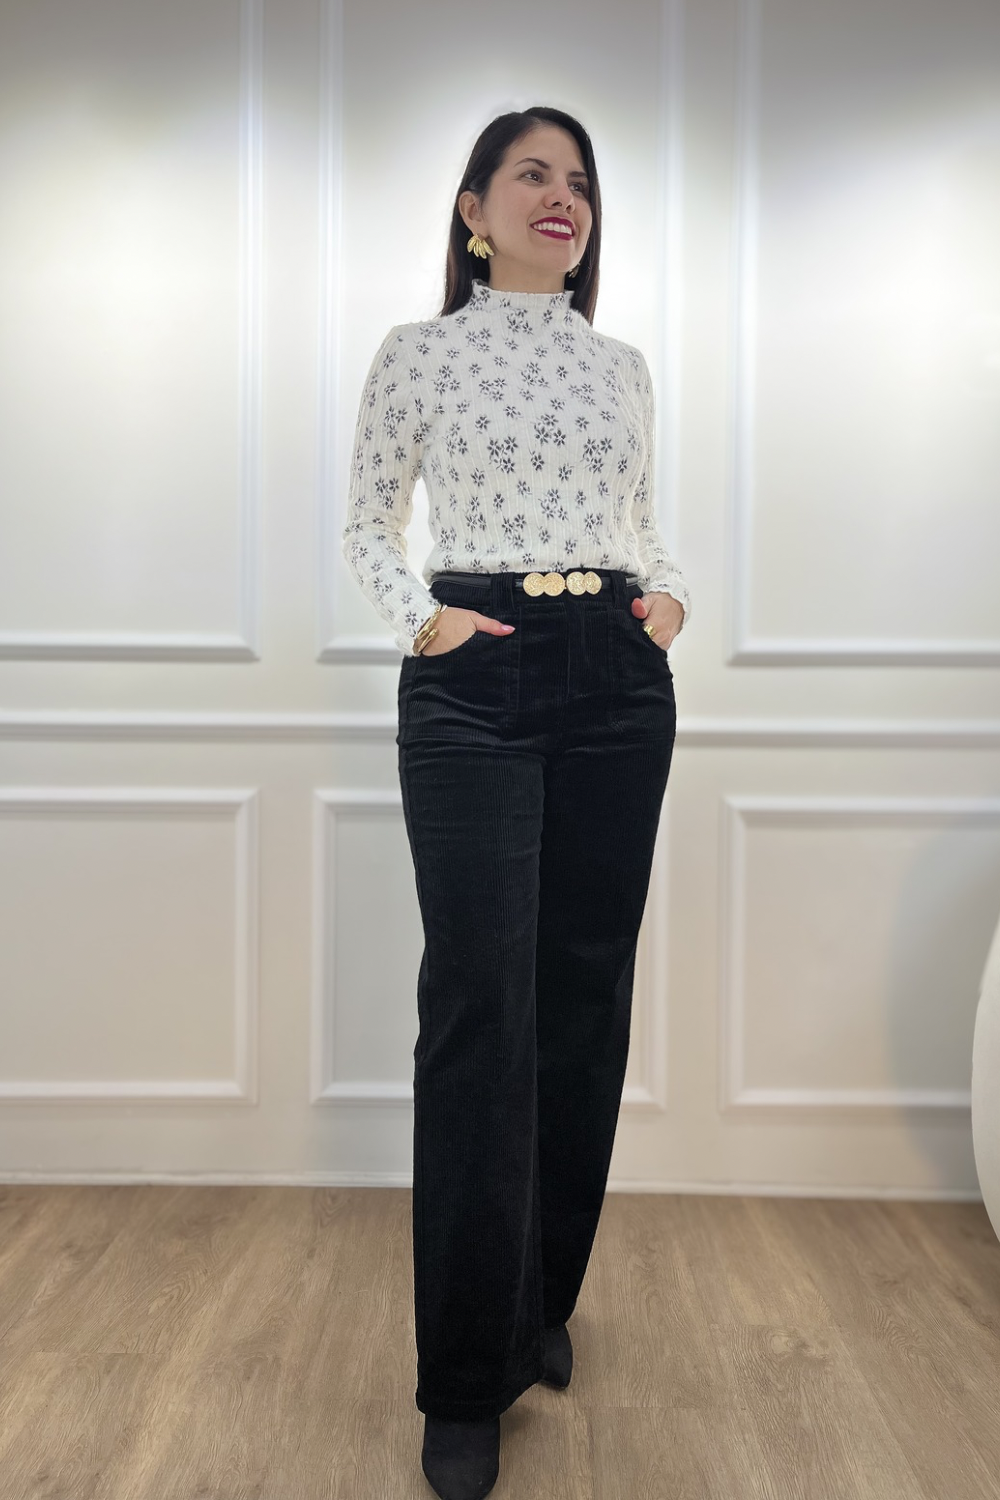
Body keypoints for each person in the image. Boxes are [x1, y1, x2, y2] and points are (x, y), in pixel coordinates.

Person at [342, 105, 690, 1500]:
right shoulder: (418, 353)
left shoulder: (621, 367)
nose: (564, 198)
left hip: (615, 670)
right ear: (474, 209)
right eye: (533, 175)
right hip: (475, 674)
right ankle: (462, 1376)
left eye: (581, 182)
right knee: (481, 1010)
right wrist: (422, 623)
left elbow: (643, 520)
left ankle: (539, 1300)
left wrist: (668, 600)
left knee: (581, 1001)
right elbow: (370, 521)